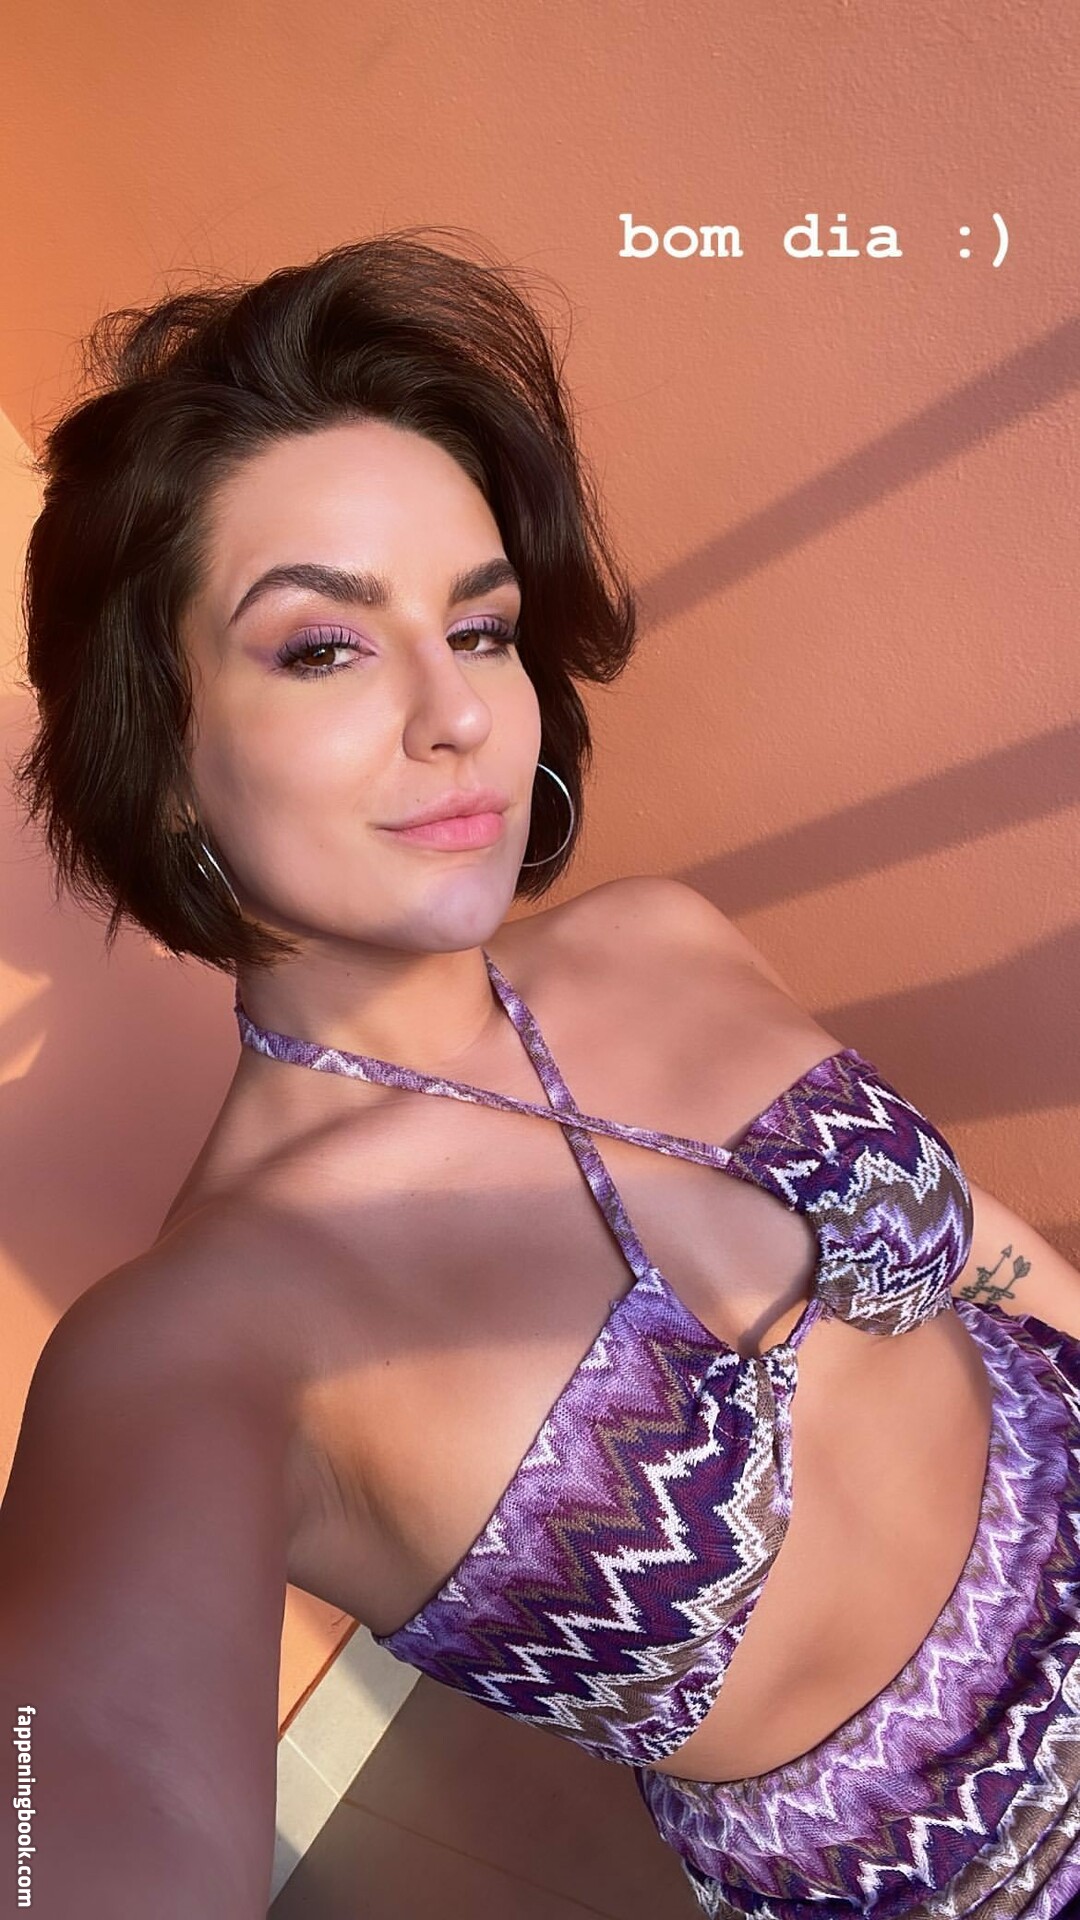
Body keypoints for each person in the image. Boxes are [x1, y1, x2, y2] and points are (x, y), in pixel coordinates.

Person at [2, 228, 1079, 1920]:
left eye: (482, 626)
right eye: (323, 647)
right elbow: (87, 1793)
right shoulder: (191, 1345)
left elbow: (990, 1269)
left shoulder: (663, 935)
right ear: (167, 752)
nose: (459, 716)